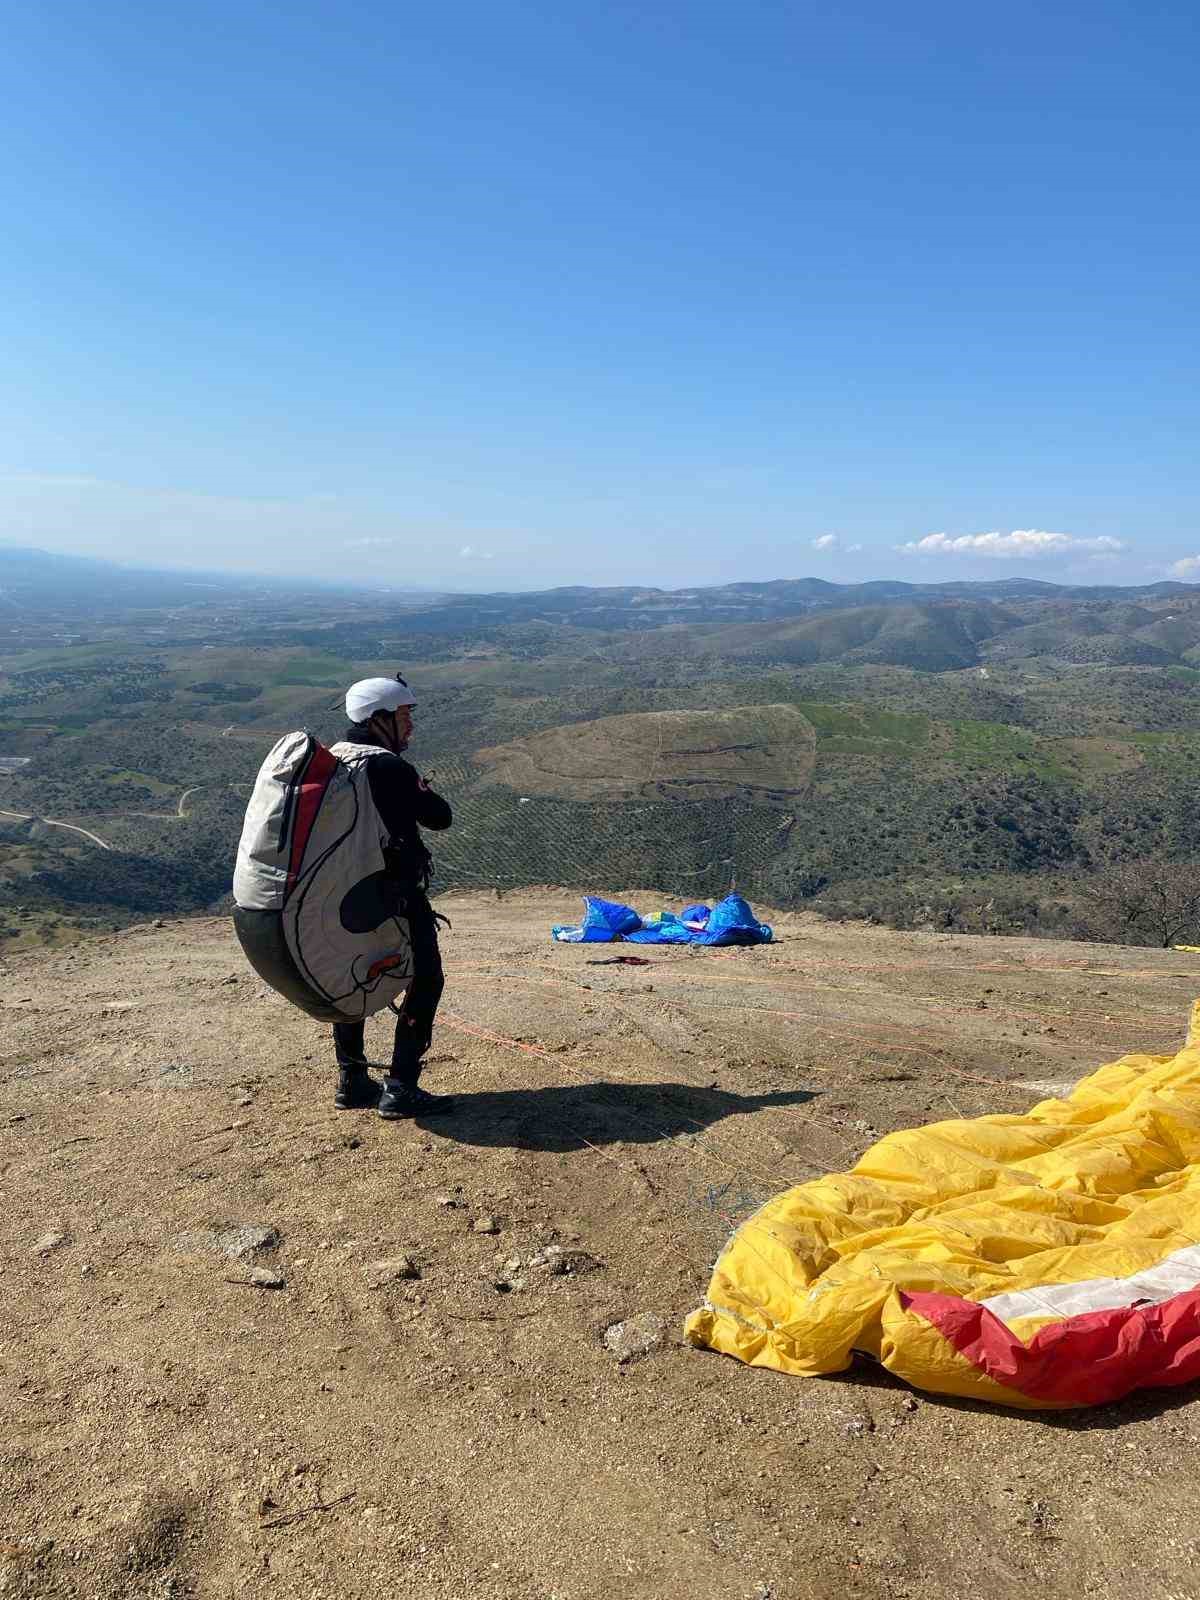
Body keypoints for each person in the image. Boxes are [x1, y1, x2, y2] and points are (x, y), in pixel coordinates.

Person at [333, 674, 454, 1119]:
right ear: (379, 718)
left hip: (341, 899)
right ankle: (401, 1087)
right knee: (426, 979)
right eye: (404, 715)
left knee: (352, 980)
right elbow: (440, 817)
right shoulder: (387, 766)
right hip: (394, 895)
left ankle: (352, 1080)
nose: (410, 726)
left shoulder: (332, 760)